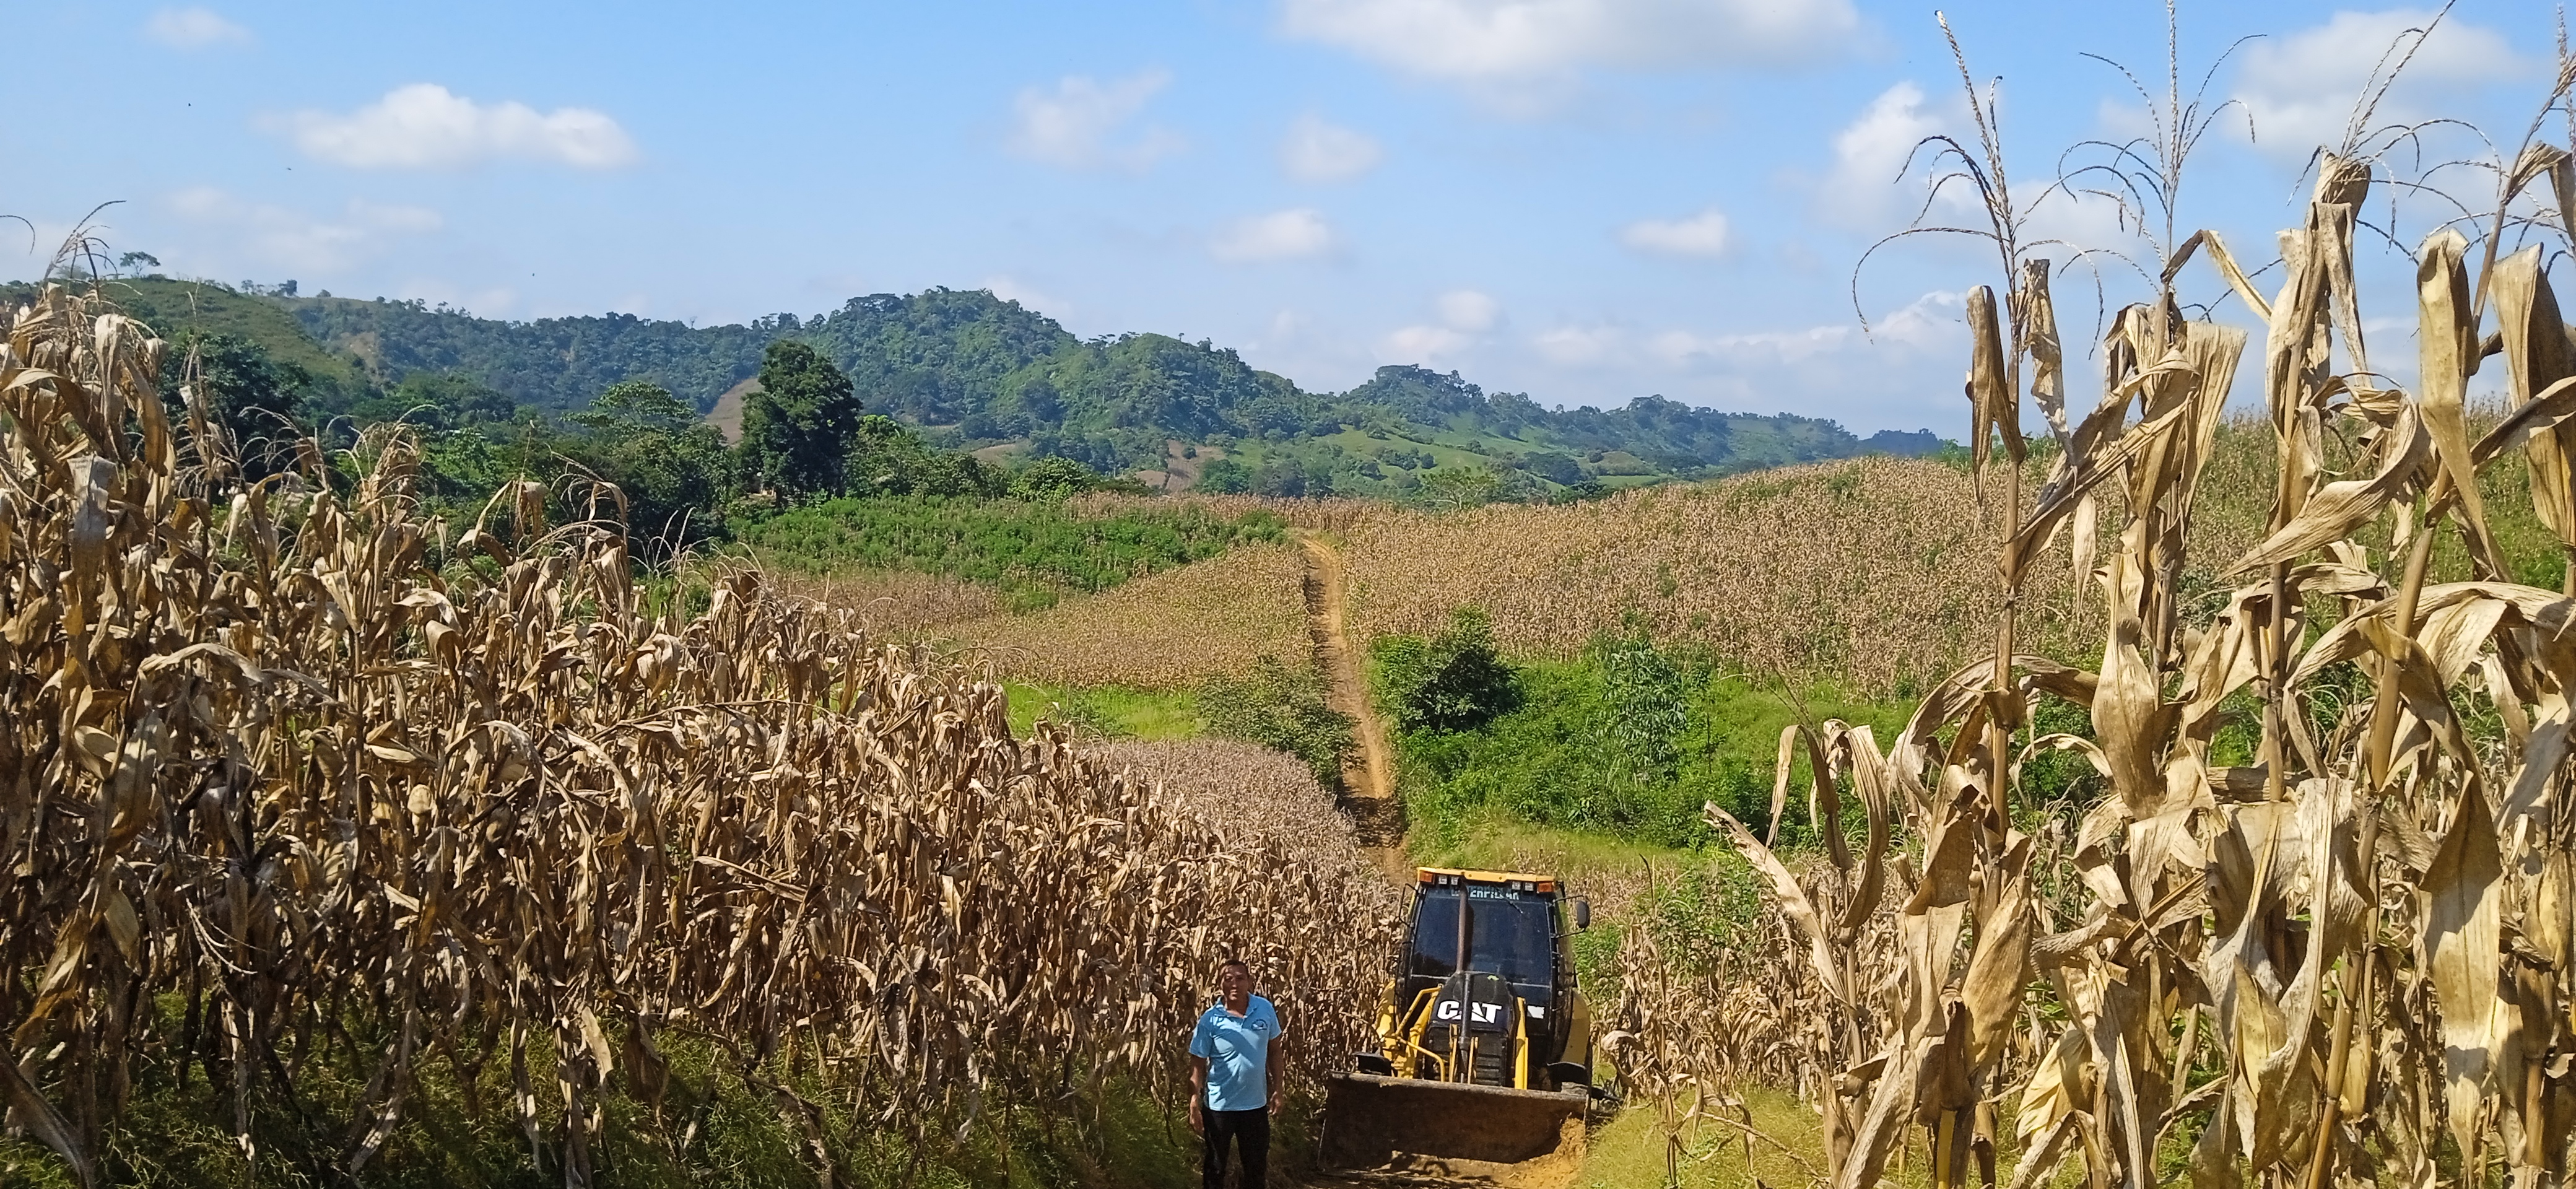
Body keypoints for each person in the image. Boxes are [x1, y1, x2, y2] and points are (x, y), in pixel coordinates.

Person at [1188, 957, 1281, 1188]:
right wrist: (1194, 1101)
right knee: (1215, 1168)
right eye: (1228, 979)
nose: (1234, 984)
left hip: (1255, 1107)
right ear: (1220, 983)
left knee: (1256, 1170)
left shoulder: (1264, 1010)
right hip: (1219, 1109)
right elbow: (1197, 1063)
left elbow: (1275, 1051)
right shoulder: (1210, 1020)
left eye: (1240, 979)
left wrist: (1279, 1090)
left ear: (1249, 981)